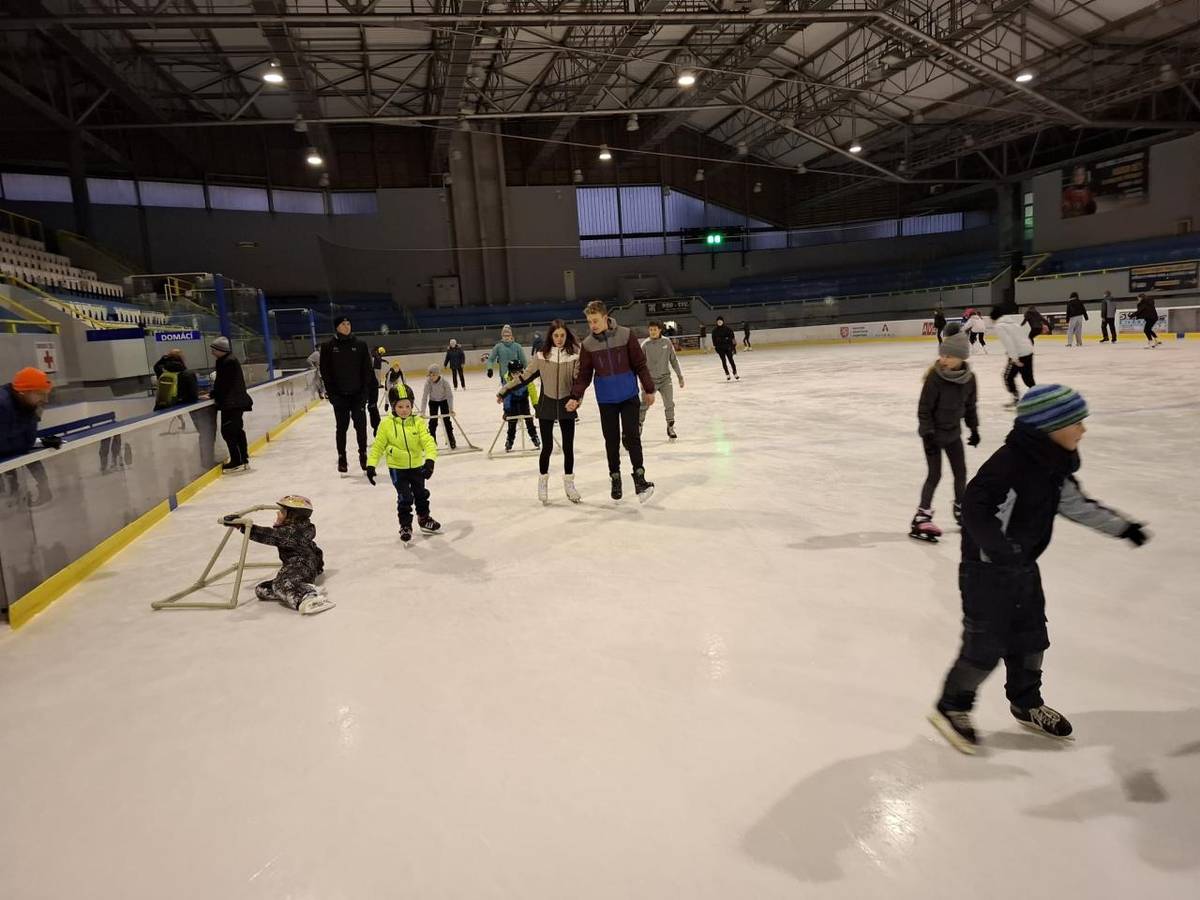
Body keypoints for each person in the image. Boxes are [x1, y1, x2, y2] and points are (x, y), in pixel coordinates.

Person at [928, 384, 1149, 754]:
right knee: (985, 647)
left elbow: (1077, 505)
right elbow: (975, 511)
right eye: (1076, 423)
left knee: (1031, 640)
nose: (1083, 430)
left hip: (1023, 568)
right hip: (986, 572)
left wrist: (1123, 527)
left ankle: (1027, 704)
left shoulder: (1053, 465)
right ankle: (951, 707)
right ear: (1050, 427)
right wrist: (1001, 550)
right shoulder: (1008, 466)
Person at [566, 300, 656, 502]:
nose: (592, 325)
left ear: (605, 318)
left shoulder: (626, 335)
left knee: (632, 436)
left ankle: (640, 478)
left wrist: (649, 389)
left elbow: (640, 364)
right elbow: (584, 375)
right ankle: (615, 478)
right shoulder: (588, 345)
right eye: (589, 321)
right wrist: (575, 396)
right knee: (611, 440)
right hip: (606, 400)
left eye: (595, 320)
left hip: (629, 396)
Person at [498, 319, 581, 503]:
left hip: (566, 405)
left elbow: (579, 383)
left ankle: (569, 484)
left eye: (562, 335)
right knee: (547, 447)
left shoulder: (574, 355)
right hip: (547, 404)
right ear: (551, 336)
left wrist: (577, 401)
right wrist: (504, 391)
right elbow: (524, 377)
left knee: (568, 447)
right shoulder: (542, 356)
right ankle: (543, 482)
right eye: (556, 335)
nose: (559, 339)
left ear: (566, 336)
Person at [911, 324, 979, 542]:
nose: (943, 359)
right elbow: (924, 410)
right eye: (942, 355)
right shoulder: (935, 378)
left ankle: (962, 511)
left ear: (961, 357)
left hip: (953, 434)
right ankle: (922, 516)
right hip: (933, 435)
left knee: (961, 473)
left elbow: (970, 407)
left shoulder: (969, 379)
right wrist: (928, 434)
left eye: (948, 356)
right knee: (935, 474)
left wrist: (974, 429)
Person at [221, 495, 333, 615]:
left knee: (282, 583)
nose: (278, 514)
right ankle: (294, 588)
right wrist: (318, 567)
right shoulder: (300, 530)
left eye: (282, 512)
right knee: (262, 589)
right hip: (299, 568)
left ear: (292, 516)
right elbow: (315, 549)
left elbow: (269, 535)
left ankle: (308, 596)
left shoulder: (291, 533)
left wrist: (244, 527)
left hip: (299, 567)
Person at [365, 384, 440, 543]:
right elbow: (378, 446)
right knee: (405, 497)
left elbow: (428, 441)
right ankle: (405, 525)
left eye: (407, 406)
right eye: (400, 406)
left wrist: (430, 461)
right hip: (398, 469)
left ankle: (424, 518)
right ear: (393, 407)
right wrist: (371, 465)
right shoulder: (386, 424)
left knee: (421, 494)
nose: (404, 410)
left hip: (417, 466)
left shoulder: (418, 422)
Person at [319, 316, 374, 473]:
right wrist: (333, 395)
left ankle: (363, 454)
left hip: (358, 396)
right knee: (341, 428)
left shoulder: (360, 345)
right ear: (337, 327)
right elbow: (325, 372)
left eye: (348, 323)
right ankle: (342, 457)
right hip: (340, 396)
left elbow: (367, 370)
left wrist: (364, 393)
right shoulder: (328, 346)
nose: (346, 326)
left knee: (361, 427)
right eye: (343, 324)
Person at [210, 336, 252, 473]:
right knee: (235, 430)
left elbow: (223, 383)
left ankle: (237, 460)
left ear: (220, 349)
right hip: (233, 402)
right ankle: (242, 459)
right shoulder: (226, 360)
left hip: (232, 403)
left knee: (229, 431)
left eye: (213, 349)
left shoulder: (228, 362)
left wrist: (213, 394)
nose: (212, 352)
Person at [639, 320, 684, 440]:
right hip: (650, 381)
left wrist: (680, 376)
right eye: (650, 330)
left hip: (665, 379)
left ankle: (670, 426)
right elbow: (640, 365)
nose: (652, 332)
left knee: (669, 404)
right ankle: (639, 425)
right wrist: (642, 381)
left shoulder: (666, 342)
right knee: (644, 405)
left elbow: (673, 360)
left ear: (659, 330)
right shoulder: (645, 345)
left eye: (655, 329)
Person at [989, 303, 1035, 407]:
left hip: (1019, 354)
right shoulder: (1013, 323)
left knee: (1008, 377)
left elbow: (1008, 343)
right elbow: (1022, 338)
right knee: (1028, 378)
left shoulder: (999, 326)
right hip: (1028, 351)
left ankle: (1016, 398)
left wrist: (1015, 358)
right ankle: (1039, 396)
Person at [500, 358, 541, 452]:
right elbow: (506, 397)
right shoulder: (507, 380)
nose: (517, 375)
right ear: (510, 373)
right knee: (512, 422)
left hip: (523, 401)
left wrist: (536, 405)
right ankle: (509, 440)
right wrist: (506, 410)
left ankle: (534, 437)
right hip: (512, 402)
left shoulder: (526, 378)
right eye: (514, 373)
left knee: (529, 420)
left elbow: (532, 391)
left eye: (519, 372)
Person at [421, 364, 456, 450]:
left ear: (438, 374)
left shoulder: (444, 382)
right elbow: (424, 397)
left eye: (433, 375)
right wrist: (422, 411)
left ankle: (451, 439)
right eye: (430, 375)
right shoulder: (428, 383)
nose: (431, 377)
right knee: (433, 421)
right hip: (433, 402)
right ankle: (432, 440)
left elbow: (450, 396)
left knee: (446, 420)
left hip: (444, 401)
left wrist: (451, 409)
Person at [711, 316, 739, 380]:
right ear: (716, 322)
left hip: (728, 347)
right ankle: (727, 374)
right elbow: (714, 340)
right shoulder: (714, 331)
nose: (719, 322)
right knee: (723, 361)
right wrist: (716, 347)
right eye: (718, 321)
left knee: (731, 360)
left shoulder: (728, 329)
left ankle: (735, 372)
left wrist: (734, 348)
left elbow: (733, 339)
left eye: (720, 321)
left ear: (723, 321)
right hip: (720, 348)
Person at [369, 346, 388, 432]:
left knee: (378, 377)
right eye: (382, 352)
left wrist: (385, 361)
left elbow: (380, 359)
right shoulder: (377, 355)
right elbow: (378, 359)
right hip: (376, 368)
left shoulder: (378, 355)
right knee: (377, 377)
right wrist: (384, 360)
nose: (382, 354)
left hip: (378, 368)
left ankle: (379, 384)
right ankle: (378, 384)